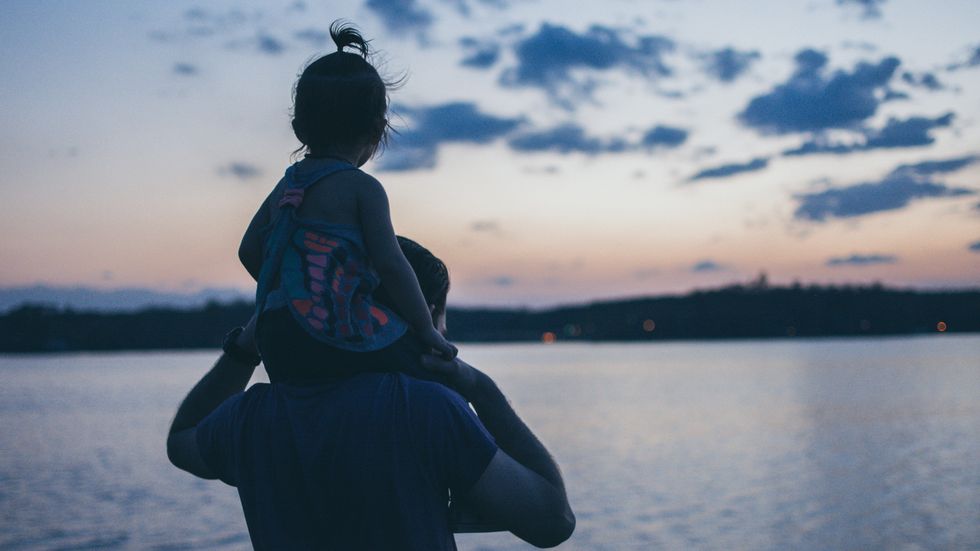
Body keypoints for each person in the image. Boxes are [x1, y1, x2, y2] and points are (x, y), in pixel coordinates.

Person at [167, 237, 576, 550]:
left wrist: (246, 346)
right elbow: (553, 522)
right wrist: (481, 390)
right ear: (420, 319)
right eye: (440, 318)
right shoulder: (426, 410)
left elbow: (182, 440)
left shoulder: (252, 417)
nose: (446, 335)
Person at [238, 22, 455, 386]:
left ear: (298, 128)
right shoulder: (361, 188)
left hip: (275, 338)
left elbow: (248, 252)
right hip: (334, 331)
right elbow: (392, 264)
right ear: (377, 130)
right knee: (434, 373)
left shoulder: (287, 186)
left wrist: (295, 289)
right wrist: (425, 328)